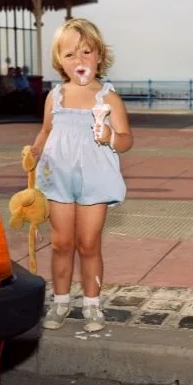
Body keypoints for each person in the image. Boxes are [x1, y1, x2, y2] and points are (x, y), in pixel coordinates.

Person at [31, 18, 132, 333]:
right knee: (61, 243)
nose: (79, 61)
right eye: (70, 54)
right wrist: (32, 154)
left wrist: (110, 137)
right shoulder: (55, 96)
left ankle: (92, 303)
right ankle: (60, 301)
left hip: (95, 179)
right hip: (57, 178)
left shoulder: (109, 99)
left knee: (89, 244)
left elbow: (126, 139)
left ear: (99, 56)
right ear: (59, 60)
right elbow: (46, 131)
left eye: (86, 52)